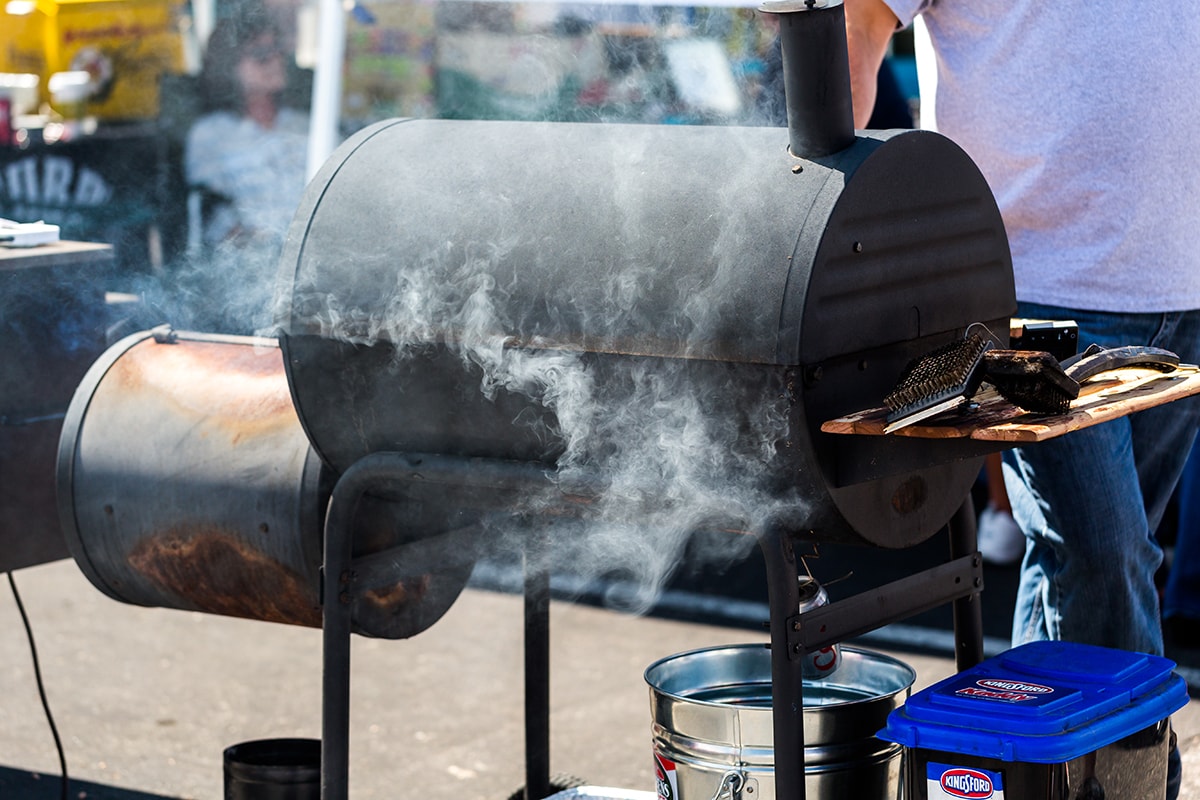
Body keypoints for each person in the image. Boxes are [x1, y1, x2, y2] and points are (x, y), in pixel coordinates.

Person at [843, 3, 1200, 798]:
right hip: (1031, 295)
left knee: (1079, 565)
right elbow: (860, 23)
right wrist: (828, 194)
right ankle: (1138, 783)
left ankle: (1021, 773)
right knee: (1104, 557)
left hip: (1182, 284)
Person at [182, 1, 310, 334]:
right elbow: (213, 219)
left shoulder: (307, 127)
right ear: (229, 68)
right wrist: (268, 251)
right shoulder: (212, 135)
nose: (275, 61)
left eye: (277, 51)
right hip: (252, 276)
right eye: (260, 55)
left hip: (317, 264)